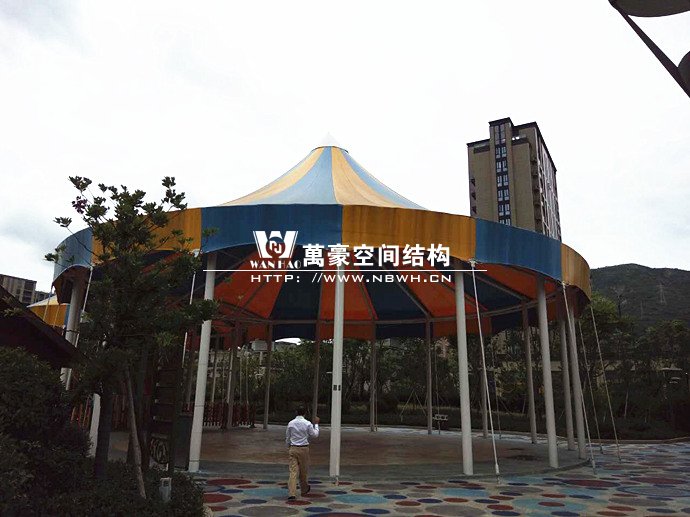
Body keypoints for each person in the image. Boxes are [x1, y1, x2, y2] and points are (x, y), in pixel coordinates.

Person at [285, 407, 319, 500]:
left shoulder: (291, 423)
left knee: (293, 471)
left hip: (293, 448)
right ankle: (304, 489)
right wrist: (316, 424)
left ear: (296, 412)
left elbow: (288, 437)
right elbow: (314, 435)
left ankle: (292, 493)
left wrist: (288, 447)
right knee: (303, 471)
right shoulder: (307, 423)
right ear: (305, 413)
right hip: (303, 448)